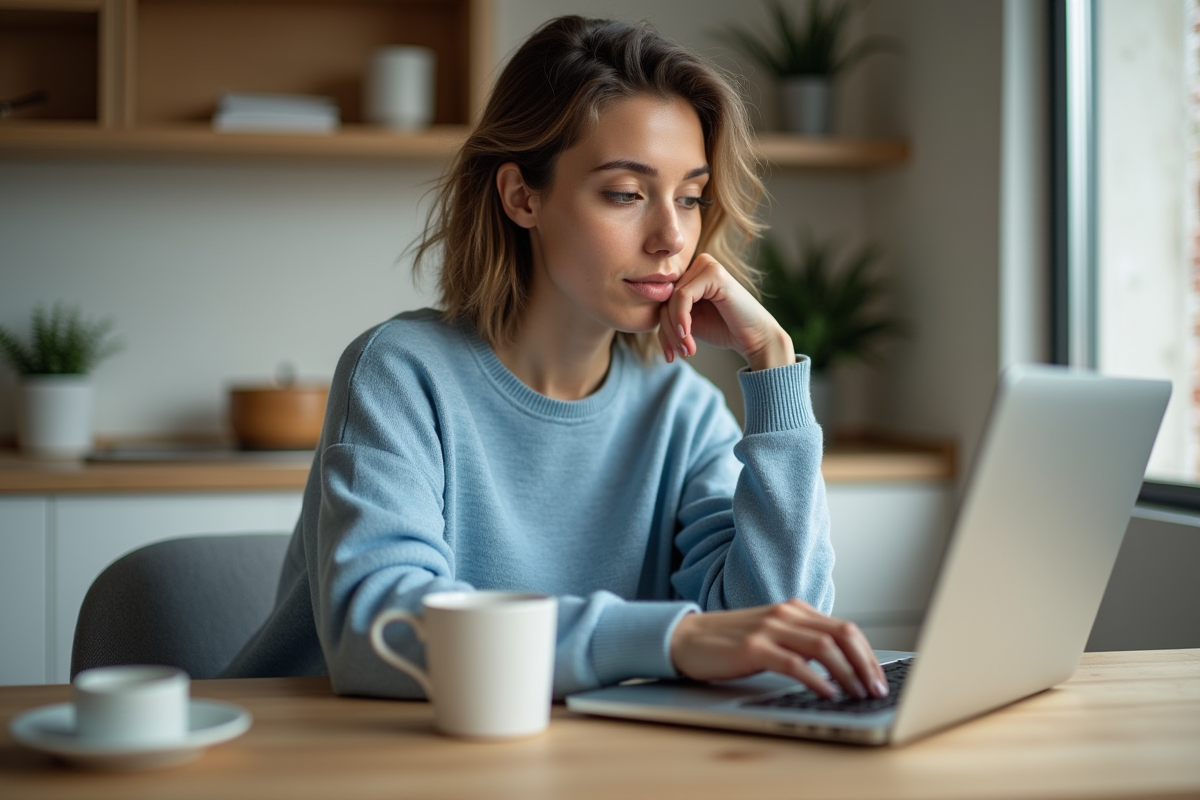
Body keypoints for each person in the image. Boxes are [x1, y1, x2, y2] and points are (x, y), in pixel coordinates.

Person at [224, 15, 888, 702]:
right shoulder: (402, 373)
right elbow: (381, 633)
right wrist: (670, 639)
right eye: (626, 194)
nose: (671, 237)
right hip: (343, 755)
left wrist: (774, 370)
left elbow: (773, 634)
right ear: (522, 196)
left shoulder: (682, 412)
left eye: (689, 197)